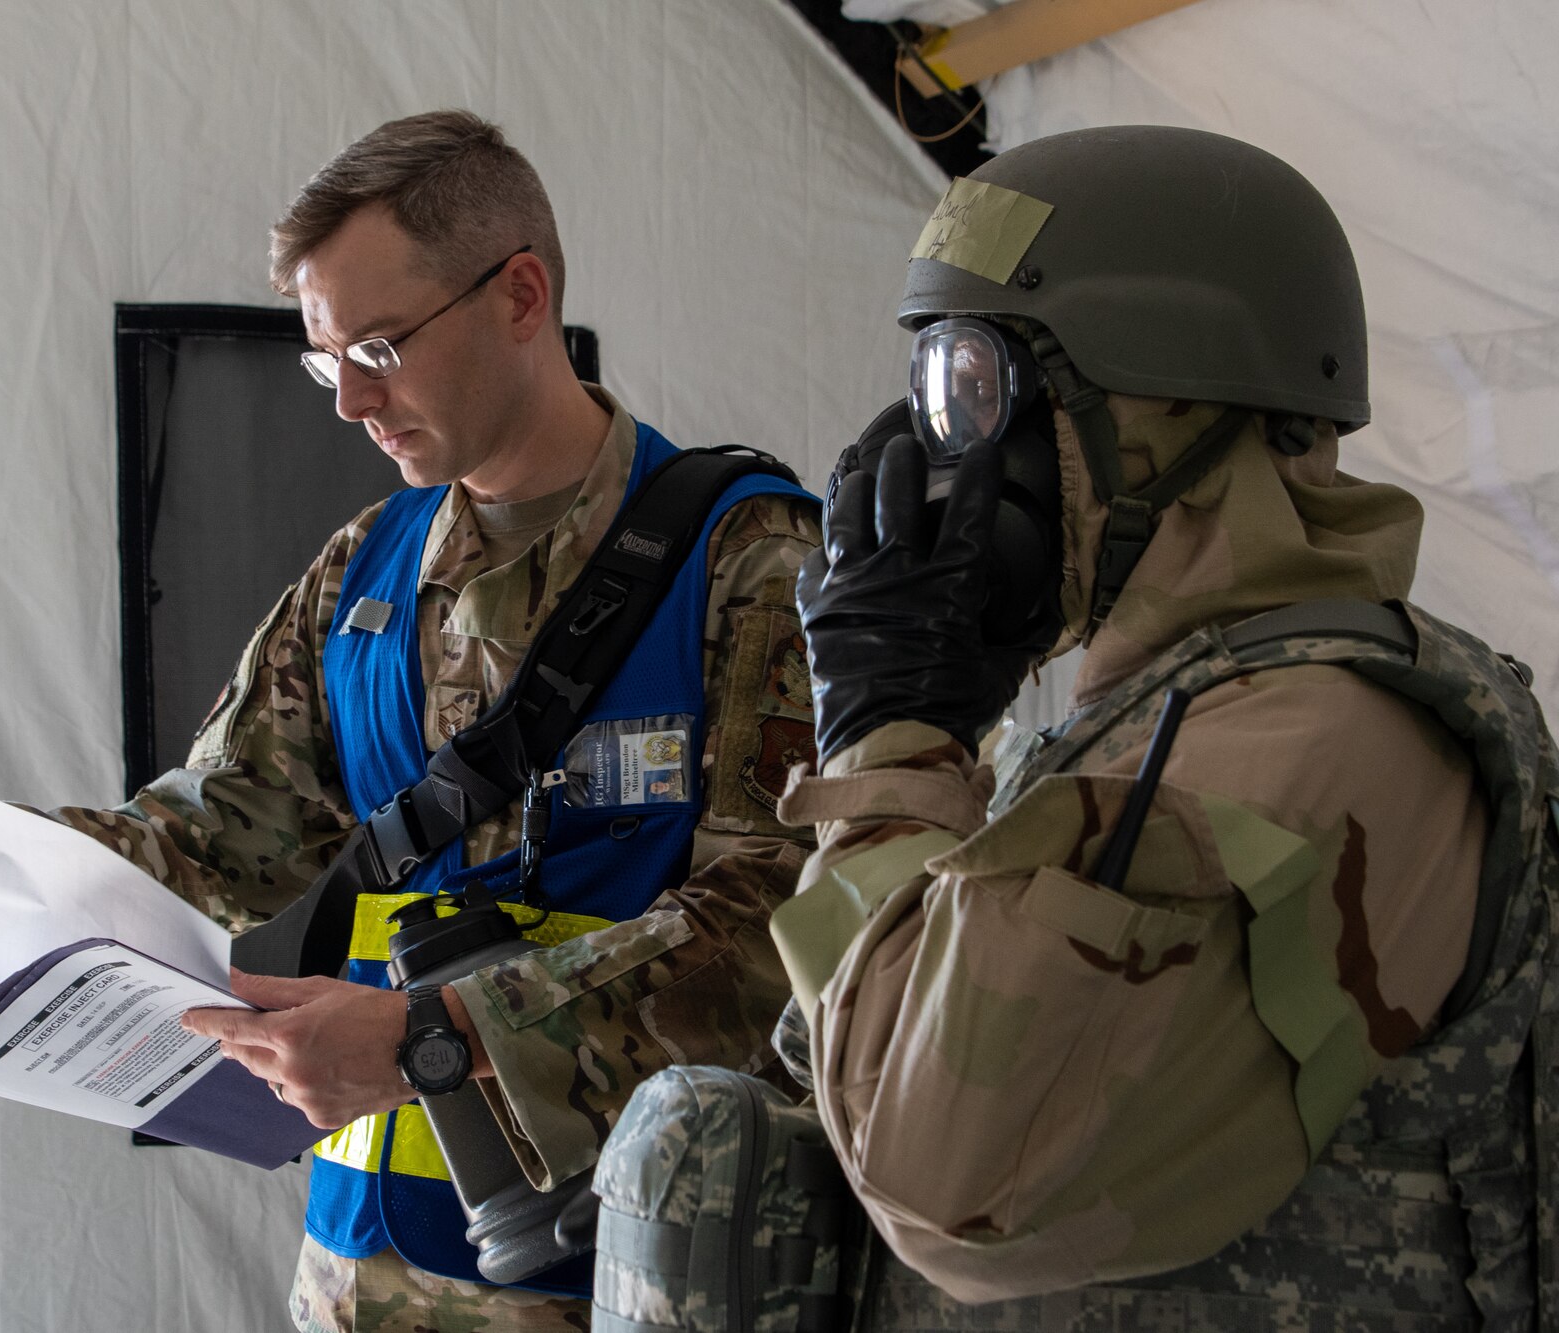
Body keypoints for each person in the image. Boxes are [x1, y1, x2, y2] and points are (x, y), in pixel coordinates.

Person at [0, 109, 822, 1333]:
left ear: (520, 296)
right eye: (324, 361)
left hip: (617, 1284)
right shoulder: (366, 573)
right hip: (356, 1278)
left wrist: (437, 1036)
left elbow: (793, 927)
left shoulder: (747, 560)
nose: (349, 402)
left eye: (378, 346)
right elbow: (217, 830)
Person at [592, 125, 1556, 1330]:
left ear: (1161, 401)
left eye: (975, 389)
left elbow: (948, 1186)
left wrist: (889, 747)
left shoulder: (1310, 739)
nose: (946, 457)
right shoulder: (1168, 708)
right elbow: (841, 1056)